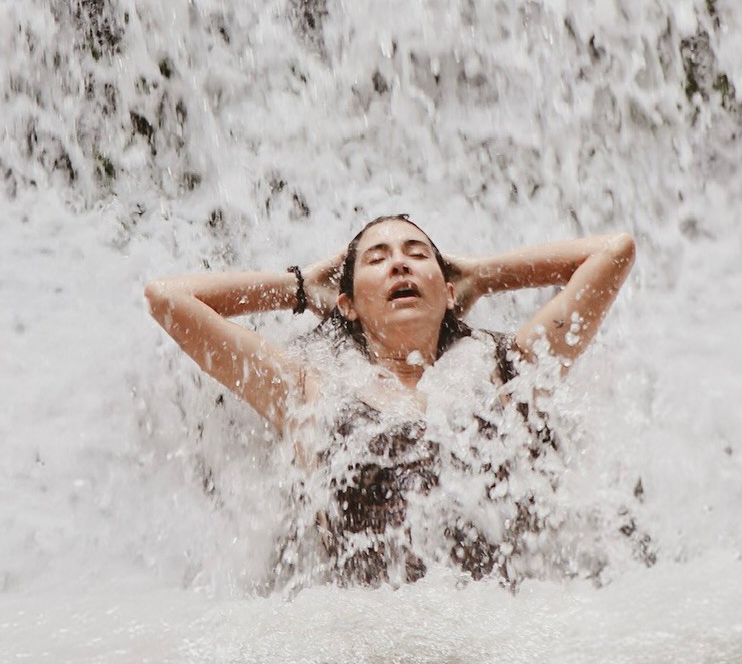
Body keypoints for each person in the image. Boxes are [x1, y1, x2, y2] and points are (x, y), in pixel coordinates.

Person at [142, 217, 637, 585]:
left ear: (447, 291)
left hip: (496, 640)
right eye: (376, 259)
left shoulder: (510, 367)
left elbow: (614, 251)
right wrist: (300, 287)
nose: (399, 261)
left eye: (418, 254)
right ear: (349, 304)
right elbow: (168, 298)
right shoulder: (305, 386)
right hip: (366, 645)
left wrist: (483, 275)